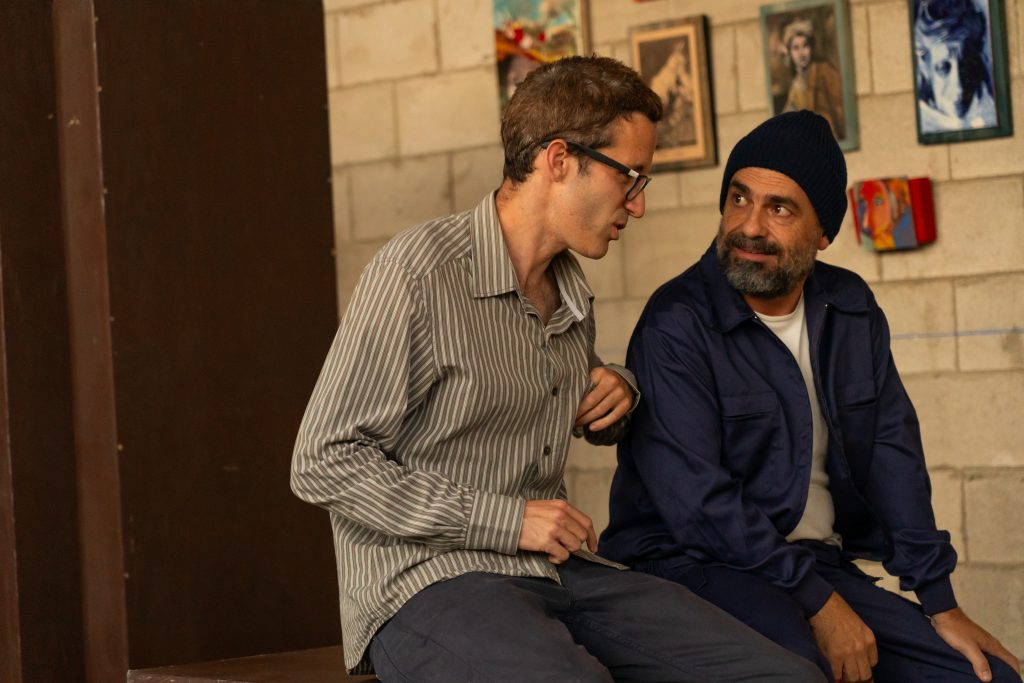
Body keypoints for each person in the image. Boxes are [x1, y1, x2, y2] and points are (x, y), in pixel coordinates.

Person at [291, 57, 823, 683]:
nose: (637, 205)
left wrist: (621, 389)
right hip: (426, 583)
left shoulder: (568, 290)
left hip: (557, 572)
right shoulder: (417, 273)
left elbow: (553, 395)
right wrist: (509, 519)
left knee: (786, 676)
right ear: (560, 159)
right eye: (630, 177)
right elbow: (322, 460)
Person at [600, 110, 1022, 683]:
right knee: (799, 669)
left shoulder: (849, 307)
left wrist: (940, 601)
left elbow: (892, 452)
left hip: (812, 565)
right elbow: (699, 505)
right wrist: (821, 605)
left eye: (779, 209)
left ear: (823, 233)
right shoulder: (677, 322)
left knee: (983, 675)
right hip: (691, 561)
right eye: (739, 199)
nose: (749, 226)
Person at [913, 0, 997, 132]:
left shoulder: (990, 111)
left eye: (965, 65)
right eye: (943, 68)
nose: (959, 88)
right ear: (925, 68)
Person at [780, 18, 845, 139]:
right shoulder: (795, 86)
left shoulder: (824, 71)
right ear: (789, 52)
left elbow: (840, 109)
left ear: (811, 48)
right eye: (796, 48)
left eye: (805, 46)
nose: (801, 53)